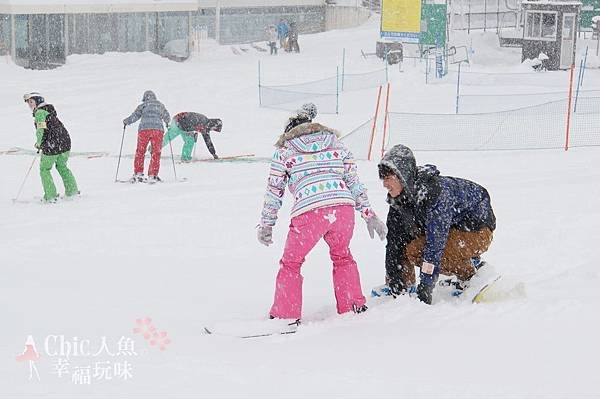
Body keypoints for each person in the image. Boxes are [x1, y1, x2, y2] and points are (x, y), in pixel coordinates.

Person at [257, 103, 387, 322]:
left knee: (291, 263)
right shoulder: (338, 145)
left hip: (309, 211)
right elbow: (354, 183)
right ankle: (353, 305)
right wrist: (369, 214)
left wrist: (267, 224)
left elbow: (274, 192)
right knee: (342, 256)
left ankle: (285, 316)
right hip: (342, 209)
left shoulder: (284, 150)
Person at [378, 144, 496, 305]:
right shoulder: (400, 199)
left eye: (388, 178)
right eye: (383, 178)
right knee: (409, 245)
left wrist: (426, 287)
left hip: (477, 230)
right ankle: (406, 287)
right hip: (452, 229)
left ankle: (473, 275)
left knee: (430, 252)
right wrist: (395, 280)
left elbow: (435, 245)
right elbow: (394, 241)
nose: (385, 184)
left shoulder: (435, 194)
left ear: (402, 176)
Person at [23, 92, 79, 202]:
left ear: (38, 101)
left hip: (52, 145)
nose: (29, 105)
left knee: (44, 169)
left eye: (31, 102)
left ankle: (51, 196)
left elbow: (41, 130)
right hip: (65, 142)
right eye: (28, 103)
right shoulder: (49, 111)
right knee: (62, 166)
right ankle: (72, 191)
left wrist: (39, 143)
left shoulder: (39, 112)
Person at [123, 90, 170, 183]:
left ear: (145, 98)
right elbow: (167, 116)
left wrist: (126, 121)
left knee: (140, 152)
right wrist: (167, 122)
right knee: (156, 152)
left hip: (144, 130)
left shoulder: (143, 105)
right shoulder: (160, 105)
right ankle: (153, 175)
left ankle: (138, 173)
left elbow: (135, 116)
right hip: (157, 130)